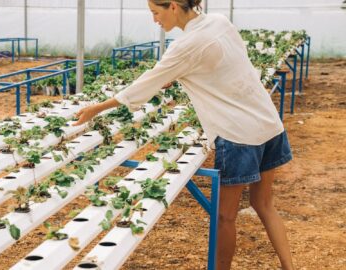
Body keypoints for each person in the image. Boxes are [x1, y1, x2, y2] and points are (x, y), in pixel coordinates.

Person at [73, 1, 295, 269]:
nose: (155, 20)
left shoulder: (184, 46)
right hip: (268, 123)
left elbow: (146, 83)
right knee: (264, 204)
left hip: (238, 135)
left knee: (225, 217)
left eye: (156, 12)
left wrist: (97, 108)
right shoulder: (220, 22)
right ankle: (289, 266)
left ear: (174, 7)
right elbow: (218, 65)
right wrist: (179, 75)